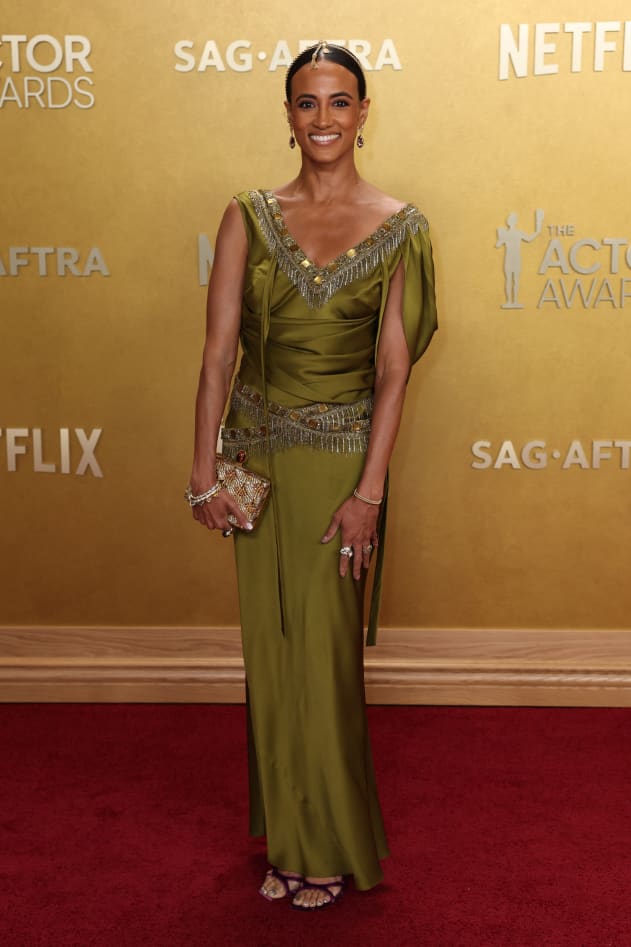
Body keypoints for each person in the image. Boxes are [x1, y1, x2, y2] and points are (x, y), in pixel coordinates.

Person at [188, 41, 437, 910]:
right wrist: (201, 469)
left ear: (364, 111)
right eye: (306, 103)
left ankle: (327, 841)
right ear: (286, 113)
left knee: (324, 658)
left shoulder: (402, 224)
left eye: (339, 102)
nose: (323, 119)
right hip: (255, 459)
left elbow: (394, 370)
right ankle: (290, 839)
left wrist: (369, 491)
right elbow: (219, 350)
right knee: (274, 654)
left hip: (339, 467)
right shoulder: (246, 216)